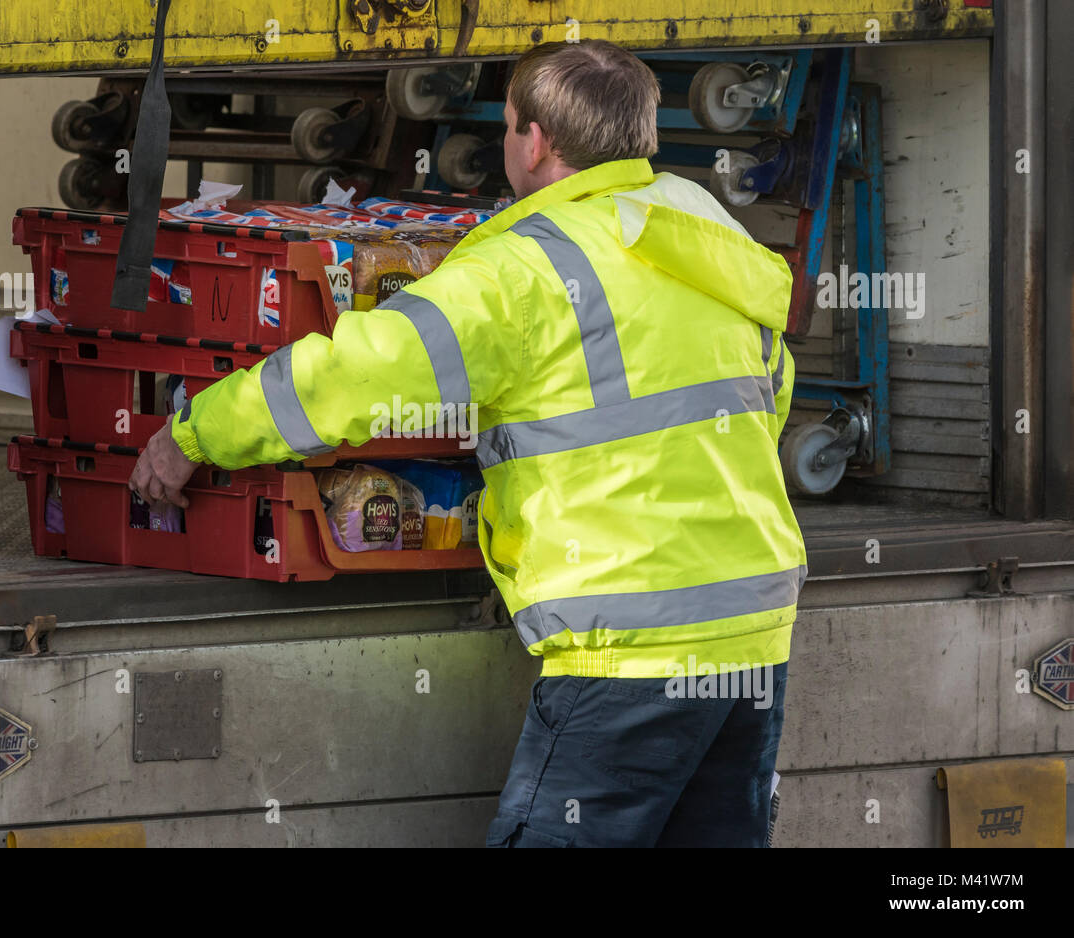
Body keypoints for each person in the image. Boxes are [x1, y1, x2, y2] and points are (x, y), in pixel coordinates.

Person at [130, 39, 808, 847]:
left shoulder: (523, 269)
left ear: (535, 142)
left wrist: (194, 432)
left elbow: (354, 374)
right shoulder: (705, 238)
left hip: (629, 649)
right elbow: (768, 400)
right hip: (751, 632)